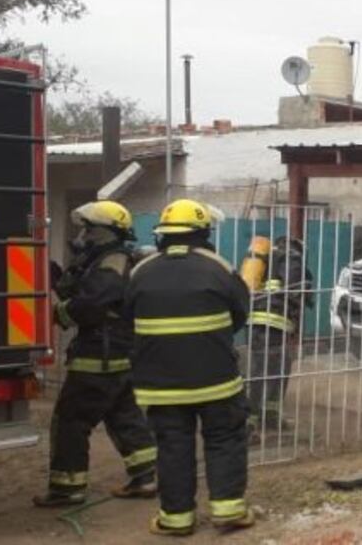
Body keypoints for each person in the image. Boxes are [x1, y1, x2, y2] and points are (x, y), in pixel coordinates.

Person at [124, 199, 254, 536]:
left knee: (172, 445)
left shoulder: (141, 271)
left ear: (163, 234)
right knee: (224, 438)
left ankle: (176, 519)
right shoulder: (219, 267)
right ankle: (228, 512)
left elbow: (128, 319)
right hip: (216, 380)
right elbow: (240, 313)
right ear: (203, 232)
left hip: (160, 384)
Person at [33, 201, 156, 507]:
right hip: (114, 353)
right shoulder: (101, 259)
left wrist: (58, 314)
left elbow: (93, 303)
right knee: (123, 415)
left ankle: (67, 488)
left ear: (104, 231)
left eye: (89, 228)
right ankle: (147, 476)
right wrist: (51, 272)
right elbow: (77, 291)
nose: (83, 234)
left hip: (99, 355)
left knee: (71, 420)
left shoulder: (113, 261)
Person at [246, 236, 313, 443]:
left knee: (264, 370)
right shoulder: (292, 257)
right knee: (272, 371)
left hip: (256, 322)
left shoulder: (266, 260)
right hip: (274, 322)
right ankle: (251, 424)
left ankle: (268, 416)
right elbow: (296, 288)